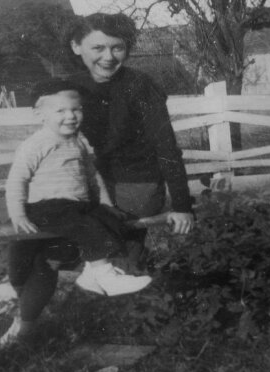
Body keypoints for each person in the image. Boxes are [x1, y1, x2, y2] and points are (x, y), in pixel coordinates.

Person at [0, 78, 152, 346]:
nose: (70, 116)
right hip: (45, 207)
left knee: (108, 220)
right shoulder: (37, 144)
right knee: (83, 225)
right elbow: (16, 181)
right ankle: (102, 272)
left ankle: (95, 273)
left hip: (75, 205)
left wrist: (105, 204)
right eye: (60, 111)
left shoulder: (79, 143)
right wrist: (18, 215)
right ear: (40, 114)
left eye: (76, 110)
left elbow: (93, 178)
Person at [67, 13, 195, 272]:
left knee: (119, 258)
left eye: (117, 47)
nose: (108, 56)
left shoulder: (140, 86)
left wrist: (182, 205)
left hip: (136, 182)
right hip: (88, 182)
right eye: (98, 47)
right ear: (76, 46)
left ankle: (131, 288)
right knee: (52, 246)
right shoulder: (70, 89)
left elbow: (166, 146)